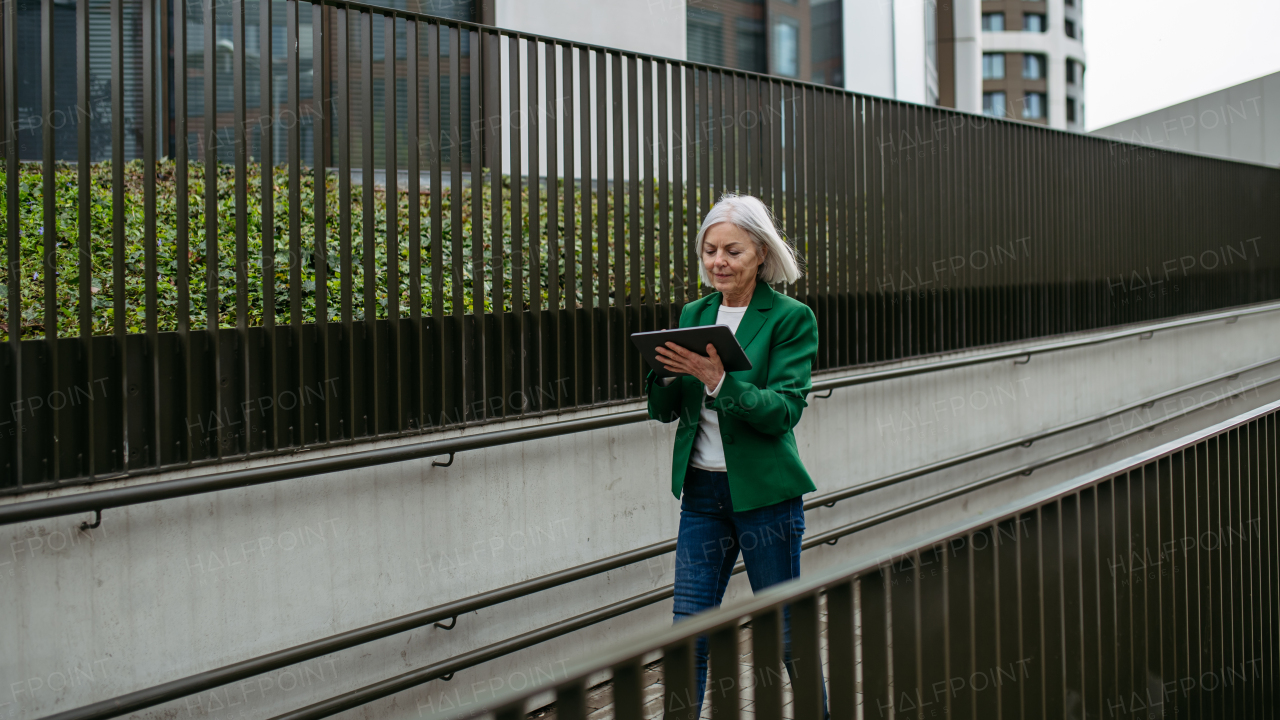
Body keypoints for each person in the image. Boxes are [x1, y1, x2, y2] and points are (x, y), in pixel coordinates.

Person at [645, 194, 828, 719]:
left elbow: (783, 412)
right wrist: (662, 373)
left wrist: (720, 382)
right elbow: (664, 410)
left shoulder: (791, 318)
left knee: (785, 628)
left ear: (761, 253)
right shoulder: (694, 314)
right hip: (702, 494)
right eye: (709, 250)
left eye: (732, 250)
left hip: (766, 496)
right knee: (690, 628)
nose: (717, 261)